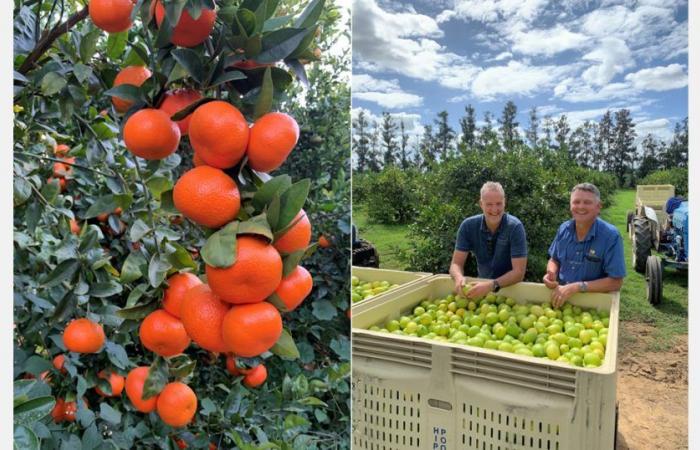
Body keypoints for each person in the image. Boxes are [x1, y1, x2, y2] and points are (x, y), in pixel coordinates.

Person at [543, 183, 625, 307]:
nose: (581, 207)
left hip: (594, 304)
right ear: (570, 205)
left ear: (598, 207)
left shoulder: (611, 236)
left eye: (587, 202)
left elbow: (616, 282)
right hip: (562, 299)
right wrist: (551, 273)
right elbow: (554, 259)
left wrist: (577, 287)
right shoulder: (563, 229)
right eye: (576, 202)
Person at [449, 182, 527, 299]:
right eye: (489, 204)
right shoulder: (468, 226)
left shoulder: (515, 227)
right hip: (481, 289)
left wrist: (491, 285)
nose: (494, 209)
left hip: (511, 291)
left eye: (498, 204)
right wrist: (459, 278)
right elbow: (456, 264)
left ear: (505, 202)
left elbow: (519, 272)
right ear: (481, 204)